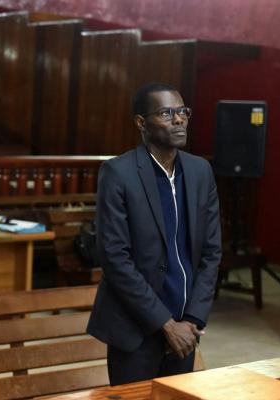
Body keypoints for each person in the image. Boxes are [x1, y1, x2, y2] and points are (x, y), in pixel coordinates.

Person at [86, 82, 221, 385]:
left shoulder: (200, 172)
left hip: (186, 329)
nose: (179, 119)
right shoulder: (118, 173)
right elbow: (115, 259)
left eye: (183, 112)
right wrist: (165, 324)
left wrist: (192, 319)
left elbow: (211, 252)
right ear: (141, 123)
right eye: (166, 113)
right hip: (135, 329)